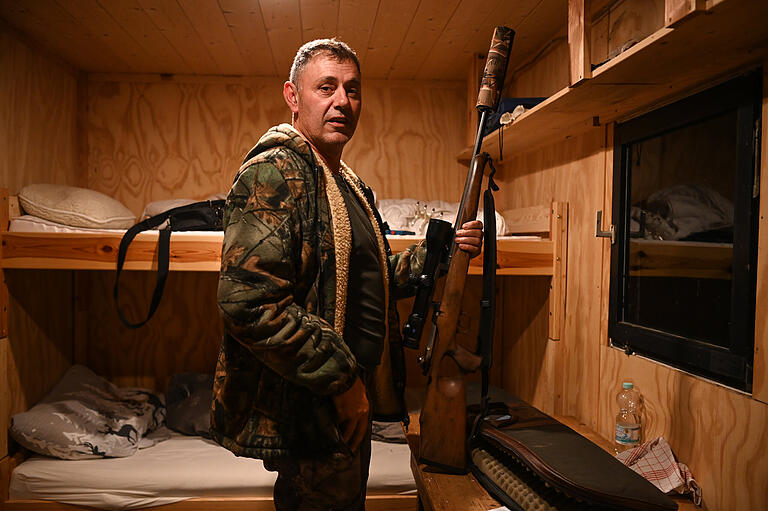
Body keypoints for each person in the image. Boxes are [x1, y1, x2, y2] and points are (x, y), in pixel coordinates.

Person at [210, 38, 483, 510]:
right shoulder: (276, 174)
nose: (343, 101)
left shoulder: (348, 185)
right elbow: (248, 302)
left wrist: (442, 253)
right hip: (315, 403)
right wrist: (341, 380)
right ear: (293, 97)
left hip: (348, 403)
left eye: (353, 90)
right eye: (327, 87)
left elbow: (369, 277)